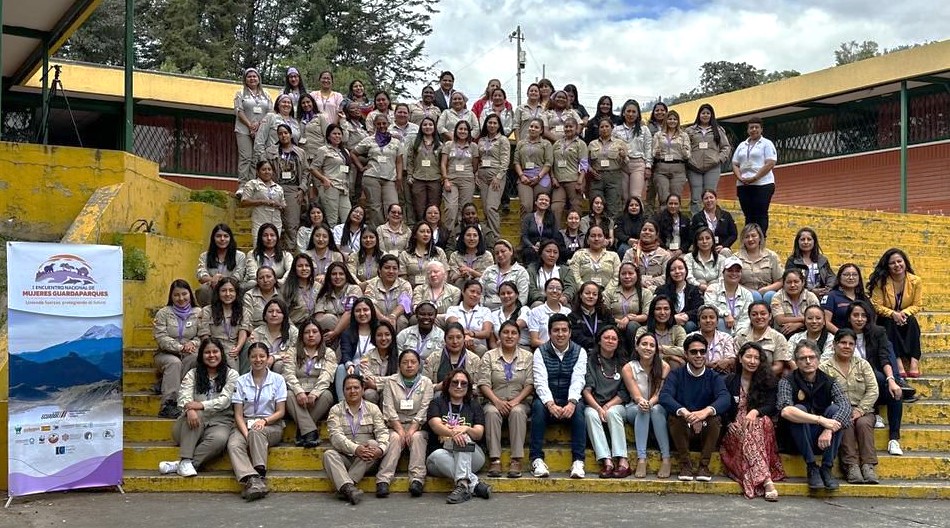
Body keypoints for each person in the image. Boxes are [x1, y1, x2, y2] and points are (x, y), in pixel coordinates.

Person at [778, 340, 853, 491]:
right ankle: (811, 466)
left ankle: (826, 467)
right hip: (796, 440)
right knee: (798, 409)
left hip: (823, 440)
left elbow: (846, 406)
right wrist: (821, 420)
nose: (807, 361)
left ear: (818, 360)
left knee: (835, 410)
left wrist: (828, 429)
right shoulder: (787, 381)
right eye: (802, 358)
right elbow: (785, 410)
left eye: (811, 357)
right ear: (796, 361)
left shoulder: (829, 381)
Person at [159, 337, 239, 477]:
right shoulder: (193, 374)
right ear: (201, 355)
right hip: (188, 426)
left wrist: (200, 405)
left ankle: (184, 463)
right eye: (207, 352)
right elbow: (183, 396)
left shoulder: (231, 374)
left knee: (220, 439)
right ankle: (185, 459)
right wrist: (190, 409)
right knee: (197, 414)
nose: (212, 355)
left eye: (215, 351)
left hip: (219, 422)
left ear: (222, 353)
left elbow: (225, 400)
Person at [659, 334, 731, 481]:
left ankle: (704, 466)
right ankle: (685, 464)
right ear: (686, 354)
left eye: (702, 351)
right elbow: (665, 396)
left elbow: (725, 398)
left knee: (715, 418)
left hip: (706, 428)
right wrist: (685, 412)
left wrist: (705, 412)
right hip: (683, 428)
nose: (699, 355)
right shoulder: (676, 375)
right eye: (693, 352)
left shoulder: (713, 376)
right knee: (675, 416)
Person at [846, 300, 913, 454]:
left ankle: (894, 439)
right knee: (873, 376)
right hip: (851, 384)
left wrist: (891, 380)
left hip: (875, 381)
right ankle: (873, 412)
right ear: (849, 317)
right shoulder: (844, 335)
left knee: (895, 391)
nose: (859, 319)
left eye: (863, 315)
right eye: (855, 315)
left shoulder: (878, 332)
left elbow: (884, 357)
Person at [720, 342, 784, 500]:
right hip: (735, 429)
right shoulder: (728, 381)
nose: (752, 361)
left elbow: (772, 405)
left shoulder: (768, 381)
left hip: (760, 425)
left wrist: (755, 412)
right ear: (740, 359)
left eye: (756, 358)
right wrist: (729, 423)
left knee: (758, 424)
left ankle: (766, 480)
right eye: (748, 356)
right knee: (749, 430)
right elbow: (720, 404)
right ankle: (766, 480)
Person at [530, 314, 588, 479]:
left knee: (579, 409)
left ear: (570, 332)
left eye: (564, 330)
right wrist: (550, 404)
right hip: (548, 399)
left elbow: (579, 379)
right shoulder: (540, 352)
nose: (560, 334)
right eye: (556, 330)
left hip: (569, 396)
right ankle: (537, 459)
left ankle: (578, 461)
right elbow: (539, 381)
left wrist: (571, 402)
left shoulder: (580, 352)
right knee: (537, 408)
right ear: (549, 333)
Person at [819, 329, 880, 484]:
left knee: (864, 423)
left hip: (864, 409)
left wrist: (860, 410)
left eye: (851, 344)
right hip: (838, 410)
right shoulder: (825, 367)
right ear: (834, 345)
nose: (847, 346)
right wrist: (845, 411)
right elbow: (823, 394)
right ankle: (851, 466)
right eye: (843, 343)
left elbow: (873, 390)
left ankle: (868, 465)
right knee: (845, 423)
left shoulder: (863, 365)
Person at [227, 342, 286, 501]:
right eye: (254, 356)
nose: (258, 359)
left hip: (271, 424)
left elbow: (281, 411)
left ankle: (260, 474)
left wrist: (264, 421)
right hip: (244, 423)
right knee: (233, 444)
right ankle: (252, 479)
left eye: (262, 356)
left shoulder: (278, 379)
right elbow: (238, 414)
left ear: (268, 358)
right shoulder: (241, 381)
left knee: (257, 431)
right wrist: (246, 434)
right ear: (249, 358)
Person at [477, 320, 535, 478]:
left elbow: (530, 384)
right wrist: (497, 401)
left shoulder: (527, 356)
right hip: (494, 400)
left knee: (517, 412)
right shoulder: (489, 355)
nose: (509, 336)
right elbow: (483, 383)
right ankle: (494, 459)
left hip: (520, 401)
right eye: (506, 332)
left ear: (518, 336)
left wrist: (516, 401)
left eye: (514, 333)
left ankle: (516, 459)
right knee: (490, 412)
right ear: (499, 335)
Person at [426, 368, 492, 504]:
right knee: (438, 454)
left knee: (464, 437)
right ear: (448, 384)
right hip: (440, 458)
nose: (459, 386)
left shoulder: (474, 405)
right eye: (455, 382)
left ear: (468, 387)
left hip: (472, 456)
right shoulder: (437, 403)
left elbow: (478, 433)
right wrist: (452, 433)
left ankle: (463, 485)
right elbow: (435, 425)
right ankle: (473, 484)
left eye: (464, 383)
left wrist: (466, 429)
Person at [323, 374, 390, 505]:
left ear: (363, 389)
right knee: (329, 454)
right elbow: (335, 437)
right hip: (346, 457)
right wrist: (355, 449)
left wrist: (380, 450)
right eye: (348, 388)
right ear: (343, 391)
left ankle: (345, 485)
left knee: (373, 443)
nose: (352, 391)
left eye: (356, 387)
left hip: (366, 460)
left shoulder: (373, 409)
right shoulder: (335, 410)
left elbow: (382, 432)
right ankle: (349, 488)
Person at [376, 350, 434, 498]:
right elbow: (388, 407)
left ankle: (417, 479)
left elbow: (425, 408)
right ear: (399, 365)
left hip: (418, 426)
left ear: (418, 365)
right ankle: (383, 480)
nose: (409, 365)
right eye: (405, 362)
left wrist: (412, 429)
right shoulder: (391, 382)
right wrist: (401, 430)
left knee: (417, 438)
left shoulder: (426, 383)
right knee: (394, 438)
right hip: (395, 424)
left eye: (413, 362)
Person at [583, 326, 631, 478]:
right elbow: (586, 390)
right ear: (599, 340)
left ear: (618, 342)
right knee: (589, 414)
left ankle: (623, 460)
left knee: (612, 412)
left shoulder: (623, 362)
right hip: (594, 404)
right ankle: (607, 460)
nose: (610, 341)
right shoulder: (589, 359)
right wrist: (598, 408)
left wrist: (607, 406)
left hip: (617, 405)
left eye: (614, 338)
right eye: (606, 337)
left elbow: (624, 393)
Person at [621, 333, 671, 478]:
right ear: (637, 347)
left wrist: (650, 403)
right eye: (644, 344)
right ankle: (641, 458)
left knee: (654, 410)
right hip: (634, 407)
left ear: (656, 349)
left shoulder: (664, 366)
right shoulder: (628, 368)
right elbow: (635, 395)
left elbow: (659, 393)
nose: (647, 348)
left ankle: (666, 458)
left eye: (651, 345)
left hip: (656, 407)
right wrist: (642, 402)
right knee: (643, 409)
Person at [868, 248, 924, 378]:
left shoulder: (916, 281)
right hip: (886, 317)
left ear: (905, 262)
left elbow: (917, 304)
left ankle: (914, 363)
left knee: (913, 321)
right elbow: (876, 305)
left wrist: (904, 313)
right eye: (892, 263)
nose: (897, 265)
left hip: (905, 316)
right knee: (889, 323)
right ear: (887, 266)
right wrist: (893, 314)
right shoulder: (881, 280)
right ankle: (898, 362)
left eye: (900, 261)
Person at [283, 318, 336, 448]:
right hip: (297, 397)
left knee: (327, 395)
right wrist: (299, 391)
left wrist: (315, 393)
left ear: (320, 334)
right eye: (307, 332)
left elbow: (327, 375)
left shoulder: (328, 353)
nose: (311, 335)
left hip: (317, 398)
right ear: (301, 335)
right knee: (288, 394)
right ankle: (310, 432)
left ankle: (303, 430)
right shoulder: (292, 351)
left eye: (314, 331)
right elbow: (288, 374)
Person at [154, 280, 201, 419]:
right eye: (177, 295)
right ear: (171, 296)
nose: (181, 298)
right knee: (174, 363)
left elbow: (202, 335)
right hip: (166, 354)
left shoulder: (199, 312)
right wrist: (180, 347)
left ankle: (167, 383)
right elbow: (161, 337)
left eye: (184, 294)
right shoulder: (163, 313)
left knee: (195, 359)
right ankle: (168, 404)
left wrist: (192, 343)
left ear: (190, 294)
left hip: (191, 352)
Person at [261, 123, 309, 250]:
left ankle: (290, 251)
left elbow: (306, 172)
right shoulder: (270, 151)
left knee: (291, 224)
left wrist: (302, 189)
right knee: (272, 223)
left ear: (291, 134)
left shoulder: (300, 152)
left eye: (286, 133)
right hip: (275, 188)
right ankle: (271, 252)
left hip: (293, 190)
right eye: (280, 133)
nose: (283, 136)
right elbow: (263, 170)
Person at [353, 113, 404, 227]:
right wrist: (361, 167)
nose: (381, 126)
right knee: (375, 207)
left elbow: (399, 161)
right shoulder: (369, 140)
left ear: (388, 124)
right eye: (379, 124)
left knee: (392, 205)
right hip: (372, 176)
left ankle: (390, 230)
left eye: (384, 123)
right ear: (375, 125)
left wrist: (399, 177)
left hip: (390, 178)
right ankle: (376, 232)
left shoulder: (395, 142)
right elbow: (353, 153)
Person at [732, 117, 778, 237]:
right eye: (751, 127)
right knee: (749, 215)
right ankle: (750, 238)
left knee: (760, 214)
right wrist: (740, 177)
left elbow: (770, 163)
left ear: (761, 129)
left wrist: (755, 177)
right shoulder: (742, 145)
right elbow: (735, 163)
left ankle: (761, 238)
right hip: (744, 185)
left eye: (756, 127)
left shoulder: (767, 144)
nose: (753, 130)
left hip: (762, 184)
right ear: (747, 130)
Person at [686, 104, 732, 215]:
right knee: (696, 197)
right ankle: (697, 222)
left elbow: (726, 147)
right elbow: (685, 147)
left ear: (711, 115)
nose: (705, 115)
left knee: (710, 196)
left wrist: (719, 159)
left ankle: (711, 221)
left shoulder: (718, 130)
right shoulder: (690, 130)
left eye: (708, 113)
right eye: (703, 113)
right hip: (694, 168)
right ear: (699, 115)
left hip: (713, 168)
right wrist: (689, 160)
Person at [198, 277, 251, 372]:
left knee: (233, 369)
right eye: (223, 290)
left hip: (232, 347)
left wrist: (238, 348)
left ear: (236, 293)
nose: (227, 294)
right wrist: (213, 350)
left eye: (231, 291)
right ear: (218, 293)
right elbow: (204, 334)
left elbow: (243, 331)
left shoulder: (243, 311)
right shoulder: (207, 310)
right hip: (214, 347)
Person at [476, 114, 511, 242]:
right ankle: (488, 238)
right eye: (489, 123)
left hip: (496, 176)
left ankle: (496, 238)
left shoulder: (503, 140)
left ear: (499, 125)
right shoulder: (481, 140)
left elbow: (505, 160)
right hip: (482, 176)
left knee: (491, 207)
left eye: (495, 123)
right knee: (485, 209)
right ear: (486, 124)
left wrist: (499, 176)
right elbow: (478, 159)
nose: (492, 125)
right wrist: (476, 174)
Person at [335, 298, 379, 401]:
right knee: (341, 368)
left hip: (373, 368)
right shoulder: (347, 333)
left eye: (365, 310)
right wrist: (349, 364)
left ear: (371, 311)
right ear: (353, 313)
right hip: (354, 368)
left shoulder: (379, 330)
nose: (362, 313)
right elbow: (345, 353)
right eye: (358, 310)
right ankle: (342, 403)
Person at [234, 67, 272, 184]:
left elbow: (270, 112)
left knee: (257, 159)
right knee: (246, 158)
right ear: (245, 80)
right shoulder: (240, 93)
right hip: (243, 130)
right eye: (249, 77)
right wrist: (250, 125)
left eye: (254, 76)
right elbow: (239, 111)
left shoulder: (266, 94)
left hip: (261, 131)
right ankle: (243, 184)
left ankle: (253, 184)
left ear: (259, 79)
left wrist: (260, 125)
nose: (252, 79)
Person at [310, 123, 352, 227]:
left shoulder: (345, 151)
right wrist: (323, 179)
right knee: (332, 219)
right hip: (331, 187)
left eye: (339, 134)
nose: (337, 136)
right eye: (334, 134)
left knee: (347, 218)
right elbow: (313, 168)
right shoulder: (323, 150)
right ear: (328, 136)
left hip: (344, 188)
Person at [735, 301, 792, 377]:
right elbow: (737, 362)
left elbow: (778, 367)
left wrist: (759, 376)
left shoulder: (778, 337)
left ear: (770, 316)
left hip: (768, 379)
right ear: (749, 317)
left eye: (763, 314)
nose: (759, 317)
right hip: (744, 377)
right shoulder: (741, 336)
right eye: (754, 314)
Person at [441, 121, 479, 233]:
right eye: (460, 129)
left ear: (469, 132)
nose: (462, 131)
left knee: (465, 211)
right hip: (451, 181)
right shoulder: (448, 145)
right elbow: (443, 163)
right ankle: (449, 237)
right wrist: (445, 179)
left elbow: (475, 165)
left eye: (465, 129)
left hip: (467, 181)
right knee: (451, 209)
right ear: (456, 130)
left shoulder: (473, 146)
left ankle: (462, 235)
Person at [550, 117, 587, 228]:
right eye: (566, 126)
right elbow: (551, 162)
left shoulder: (580, 144)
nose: (568, 128)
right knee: (555, 207)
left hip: (574, 180)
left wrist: (580, 180)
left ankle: (576, 233)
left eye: (571, 126)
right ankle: (556, 234)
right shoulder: (557, 143)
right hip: (558, 181)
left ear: (576, 128)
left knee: (575, 207)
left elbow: (584, 163)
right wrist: (553, 178)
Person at [195, 224, 246, 307]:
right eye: (218, 236)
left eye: (226, 236)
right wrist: (213, 280)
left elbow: (238, 275)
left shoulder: (240, 256)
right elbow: (201, 275)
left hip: (232, 287)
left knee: (244, 287)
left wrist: (223, 281)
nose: (222, 239)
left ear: (230, 238)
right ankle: (209, 313)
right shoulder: (205, 256)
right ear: (213, 238)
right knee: (203, 289)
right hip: (213, 287)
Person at [612, 99, 653, 204]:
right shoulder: (616, 129)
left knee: (635, 197)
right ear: (623, 113)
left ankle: (638, 220)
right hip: (621, 165)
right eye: (628, 111)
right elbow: (612, 147)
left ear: (638, 114)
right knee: (624, 197)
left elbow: (648, 149)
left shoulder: (644, 129)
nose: (631, 114)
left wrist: (648, 166)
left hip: (638, 164)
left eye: (634, 112)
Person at [588, 117, 628, 220]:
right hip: (597, 177)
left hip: (613, 176)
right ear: (598, 129)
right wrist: (591, 170)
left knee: (613, 206)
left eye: (607, 126)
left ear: (612, 128)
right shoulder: (592, 144)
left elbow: (626, 163)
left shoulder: (620, 143)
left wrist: (623, 156)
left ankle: (611, 232)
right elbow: (585, 162)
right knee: (596, 205)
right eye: (602, 127)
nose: (604, 129)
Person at [704, 256, 755, 335]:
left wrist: (739, 335)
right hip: (717, 330)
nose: (734, 274)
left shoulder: (747, 294)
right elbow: (709, 307)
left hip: (740, 331)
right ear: (723, 272)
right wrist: (725, 314)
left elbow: (745, 319)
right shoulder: (712, 288)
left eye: (737, 271)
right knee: (721, 321)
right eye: (730, 270)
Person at [424, 323, 482, 391]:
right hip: (440, 396)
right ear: (445, 339)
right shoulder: (433, 358)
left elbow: (479, 386)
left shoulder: (474, 359)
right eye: (450, 338)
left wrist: (465, 388)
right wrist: (437, 387)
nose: (455, 341)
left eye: (458, 337)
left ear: (464, 338)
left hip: (466, 398)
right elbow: (424, 384)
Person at [514, 117, 554, 216]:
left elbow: (548, 163)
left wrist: (539, 177)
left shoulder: (546, 144)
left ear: (541, 131)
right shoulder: (521, 143)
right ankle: (526, 230)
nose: (532, 129)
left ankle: (541, 230)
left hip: (541, 177)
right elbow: (516, 162)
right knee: (526, 206)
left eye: (536, 127)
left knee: (540, 205)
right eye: (531, 126)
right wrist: (521, 176)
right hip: (524, 177)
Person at [312, 262, 362, 340]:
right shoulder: (324, 294)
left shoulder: (354, 289)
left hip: (350, 331)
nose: (337, 277)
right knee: (328, 319)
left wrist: (336, 332)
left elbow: (349, 313)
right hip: (329, 332)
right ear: (329, 276)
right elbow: (319, 318)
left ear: (346, 276)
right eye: (334, 274)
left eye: (341, 274)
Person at [607, 262, 653, 346]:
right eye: (623, 274)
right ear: (619, 276)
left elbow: (646, 316)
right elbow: (605, 314)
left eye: (630, 273)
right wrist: (621, 322)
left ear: (637, 275)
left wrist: (628, 318)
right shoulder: (610, 292)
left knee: (632, 325)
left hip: (635, 328)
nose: (627, 276)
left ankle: (634, 352)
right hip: (614, 325)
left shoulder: (645, 293)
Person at [364, 254, 413, 332]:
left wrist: (393, 316)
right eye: (387, 268)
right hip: (378, 317)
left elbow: (405, 304)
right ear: (379, 270)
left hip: (397, 318)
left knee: (402, 320)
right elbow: (370, 304)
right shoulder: (372, 285)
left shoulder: (405, 284)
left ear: (398, 271)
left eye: (394, 268)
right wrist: (382, 318)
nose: (391, 271)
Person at [406, 116, 443, 219]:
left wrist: (443, 177)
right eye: (425, 125)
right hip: (418, 179)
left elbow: (443, 163)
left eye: (430, 125)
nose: (428, 127)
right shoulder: (415, 143)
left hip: (435, 179)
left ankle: (433, 229)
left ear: (434, 127)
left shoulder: (440, 145)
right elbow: (410, 160)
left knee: (433, 208)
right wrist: (409, 175)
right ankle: (421, 228)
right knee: (419, 208)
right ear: (421, 127)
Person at [651, 110, 690, 205]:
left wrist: (684, 151)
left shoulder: (683, 135)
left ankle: (675, 219)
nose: (672, 121)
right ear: (666, 120)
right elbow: (653, 152)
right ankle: (664, 219)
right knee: (663, 198)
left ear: (678, 121)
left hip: (678, 168)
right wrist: (656, 153)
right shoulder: (658, 135)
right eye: (670, 119)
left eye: (675, 119)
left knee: (675, 198)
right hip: (661, 168)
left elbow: (688, 154)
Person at [635, 295, 687, 368]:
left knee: (675, 363)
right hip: (647, 366)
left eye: (666, 309)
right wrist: (670, 356)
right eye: (658, 309)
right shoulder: (643, 331)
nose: (662, 312)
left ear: (671, 311)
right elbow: (640, 351)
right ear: (652, 311)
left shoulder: (678, 330)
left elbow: (684, 351)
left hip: (672, 369)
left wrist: (661, 348)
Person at [239, 160, 285, 241]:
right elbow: (244, 202)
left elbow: (284, 205)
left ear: (273, 172)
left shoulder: (278, 187)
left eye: (269, 169)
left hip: (276, 222)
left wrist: (278, 204)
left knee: (274, 247)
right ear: (257, 171)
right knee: (258, 246)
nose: (267, 172)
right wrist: (263, 201)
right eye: (263, 170)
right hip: (259, 221)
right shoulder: (252, 184)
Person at [654, 257, 703, 333]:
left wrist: (687, 315)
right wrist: (672, 318)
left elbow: (699, 309)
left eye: (680, 268)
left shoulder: (693, 290)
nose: (677, 272)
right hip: (666, 323)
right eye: (673, 270)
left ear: (686, 270)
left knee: (689, 325)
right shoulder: (661, 290)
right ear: (668, 272)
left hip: (687, 324)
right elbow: (655, 310)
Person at [736, 223, 782, 303]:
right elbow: (732, 281)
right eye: (747, 237)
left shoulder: (771, 256)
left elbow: (780, 281)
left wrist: (766, 289)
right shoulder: (736, 258)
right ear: (743, 240)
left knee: (770, 295)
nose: (750, 239)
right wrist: (750, 291)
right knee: (754, 296)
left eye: (753, 236)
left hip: (768, 293)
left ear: (760, 237)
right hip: (745, 293)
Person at [446, 280, 494, 357]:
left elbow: (486, 333)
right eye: (472, 291)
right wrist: (464, 337)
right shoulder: (453, 309)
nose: (475, 295)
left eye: (478, 293)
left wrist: (472, 334)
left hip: (477, 347)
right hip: (456, 345)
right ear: (463, 292)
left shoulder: (485, 311)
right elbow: (455, 326)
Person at [480, 239, 530, 311]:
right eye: (497, 253)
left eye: (503, 251)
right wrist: (481, 309)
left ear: (511, 251)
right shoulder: (489, 270)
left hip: (510, 312)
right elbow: (480, 291)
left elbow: (522, 297)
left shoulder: (520, 272)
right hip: (487, 310)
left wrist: (512, 312)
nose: (500, 255)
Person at [786, 227, 836, 298]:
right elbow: (790, 280)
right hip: (800, 295)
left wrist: (827, 289)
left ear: (814, 241)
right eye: (802, 239)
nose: (806, 242)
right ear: (798, 242)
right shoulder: (792, 261)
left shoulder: (822, 260)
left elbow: (831, 277)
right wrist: (811, 290)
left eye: (809, 239)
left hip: (822, 294)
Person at [621, 220, 670, 291]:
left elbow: (666, 276)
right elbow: (624, 273)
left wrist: (650, 281)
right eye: (644, 230)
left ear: (656, 235)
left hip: (657, 290)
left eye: (651, 230)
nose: (647, 232)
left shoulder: (665, 255)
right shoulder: (630, 253)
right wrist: (639, 281)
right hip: (634, 289)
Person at [569, 225, 621, 292]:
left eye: (600, 236)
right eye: (593, 236)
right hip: (583, 295)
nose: (596, 239)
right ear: (587, 239)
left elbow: (616, 278)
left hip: (608, 297)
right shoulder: (579, 255)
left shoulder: (613, 256)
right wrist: (587, 292)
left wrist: (605, 295)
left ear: (605, 239)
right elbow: (574, 277)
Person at [771, 268, 821, 338]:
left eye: (796, 282)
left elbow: (816, 319)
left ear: (803, 282)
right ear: (783, 283)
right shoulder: (777, 297)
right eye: (789, 282)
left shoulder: (810, 296)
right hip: (783, 334)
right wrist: (805, 319)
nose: (792, 285)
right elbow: (780, 320)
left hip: (807, 332)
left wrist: (798, 325)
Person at [250, 298, 297, 371]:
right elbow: (254, 355)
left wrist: (274, 357)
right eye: (270, 311)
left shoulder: (293, 332)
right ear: (265, 315)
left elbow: (293, 353)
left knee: (279, 364)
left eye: (278, 312)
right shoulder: (257, 333)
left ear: (284, 315)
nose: (274, 315)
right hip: (261, 366)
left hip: (285, 368)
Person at [570, 281, 616, 352]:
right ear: (580, 295)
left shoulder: (605, 314)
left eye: (594, 294)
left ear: (598, 297)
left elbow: (613, 330)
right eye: (587, 293)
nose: (591, 296)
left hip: (604, 351)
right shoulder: (573, 316)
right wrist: (596, 343)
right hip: (582, 351)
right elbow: (576, 336)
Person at [399, 222, 449, 289]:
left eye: (428, 232)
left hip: (434, 291)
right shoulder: (405, 254)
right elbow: (403, 279)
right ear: (415, 235)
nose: (426, 234)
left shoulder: (439, 252)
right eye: (422, 232)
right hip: (411, 291)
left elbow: (445, 274)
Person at [526, 239, 575, 307]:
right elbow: (531, 289)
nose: (552, 255)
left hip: (560, 302)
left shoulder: (566, 270)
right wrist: (547, 299)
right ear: (541, 253)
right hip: (540, 302)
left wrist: (565, 297)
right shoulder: (531, 270)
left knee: (567, 307)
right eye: (548, 251)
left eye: (555, 252)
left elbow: (570, 287)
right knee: (537, 305)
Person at [244, 223, 293, 290]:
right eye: (265, 235)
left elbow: (291, 271)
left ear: (277, 237)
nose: (269, 238)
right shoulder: (252, 254)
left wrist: (279, 282)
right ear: (260, 238)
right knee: (252, 283)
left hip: (279, 286)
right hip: (257, 286)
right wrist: (268, 282)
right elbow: (253, 275)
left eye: (272, 235)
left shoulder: (286, 255)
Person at [822, 263, 868, 333]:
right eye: (846, 275)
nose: (851, 278)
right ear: (839, 277)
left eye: (854, 275)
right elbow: (825, 321)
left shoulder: (863, 298)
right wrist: (841, 334)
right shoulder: (831, 296)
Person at [689, 305, 737, 373]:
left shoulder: (726, 337)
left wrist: (727, 361)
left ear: (717, 322)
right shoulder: (691, 337)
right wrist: (707, 365)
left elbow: (731, 359)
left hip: (721, 375)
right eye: (704, 318)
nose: (708, 320)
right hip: (697, 373)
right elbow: (687, 358)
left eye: (712, 317)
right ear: (699, 322)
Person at [412, 261, 461, 327]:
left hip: (446, 323)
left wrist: (433, 317)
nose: (432, 275)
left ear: (444, 274)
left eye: (436, 272)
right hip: (424, 322)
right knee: (413, 319)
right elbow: (416, 308)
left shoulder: (455, 291)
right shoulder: (419, 289)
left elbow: (454, 313)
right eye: (429, 273)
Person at [689, 189, 738, 254]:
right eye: (706, 198)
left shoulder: (726, 215)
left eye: (711, 197)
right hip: (703, 248)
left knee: (726, 251)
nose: (709, 200)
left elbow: (733, 234)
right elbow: (692, 235)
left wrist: (724, 245)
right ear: (702, 201)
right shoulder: (697, 217)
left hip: (721, 248)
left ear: (716, 199)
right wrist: (702, 245)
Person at [255, 96, 301, 161]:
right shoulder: (270, 117)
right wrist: (263, 159)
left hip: (291, 159)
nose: (286, 104)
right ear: (278, 105)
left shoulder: (295, 122)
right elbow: (259, 139)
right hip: (272, 158)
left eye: (289, 103)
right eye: (284, 102)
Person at [519, 193, 560, 265]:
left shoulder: (552, 218)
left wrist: (546, 247)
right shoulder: (528, 217)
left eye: (546, 200)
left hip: (547, 247)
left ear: (549, 204)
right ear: (536, 202)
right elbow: (524, 236)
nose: (543, 202)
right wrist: (532, 246)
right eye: (541, 199)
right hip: (531, 246)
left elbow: (555, 235)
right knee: (529, 253)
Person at [490, 281, 532, 348]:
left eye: (509, 293)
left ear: (516, 295)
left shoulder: (524, 310)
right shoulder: (494, 314)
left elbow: (516, 326)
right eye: (502, 294)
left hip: (521, 347)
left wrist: (503, 340)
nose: (506, 296)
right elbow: (492, 341)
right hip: (500, 348)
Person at [281, 254, 319, 326]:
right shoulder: (286, 288)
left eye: (307, 265)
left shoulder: (318, 286)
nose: (304, 268)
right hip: (295, 326)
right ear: (294, 269)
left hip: (315, 326)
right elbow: (283, 314)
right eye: (300, 266)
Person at [684, 227, 724, 294]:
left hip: (716, 292)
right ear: (696, 242)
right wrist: (700, 285)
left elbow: (722, 278)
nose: (704, 241)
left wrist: (712, 287)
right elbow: (688, 277)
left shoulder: (721, 259)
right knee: (701, 281)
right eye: (700, 239)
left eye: (708, 238)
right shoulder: (688, 258)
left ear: (713, 241)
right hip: (695, 292)